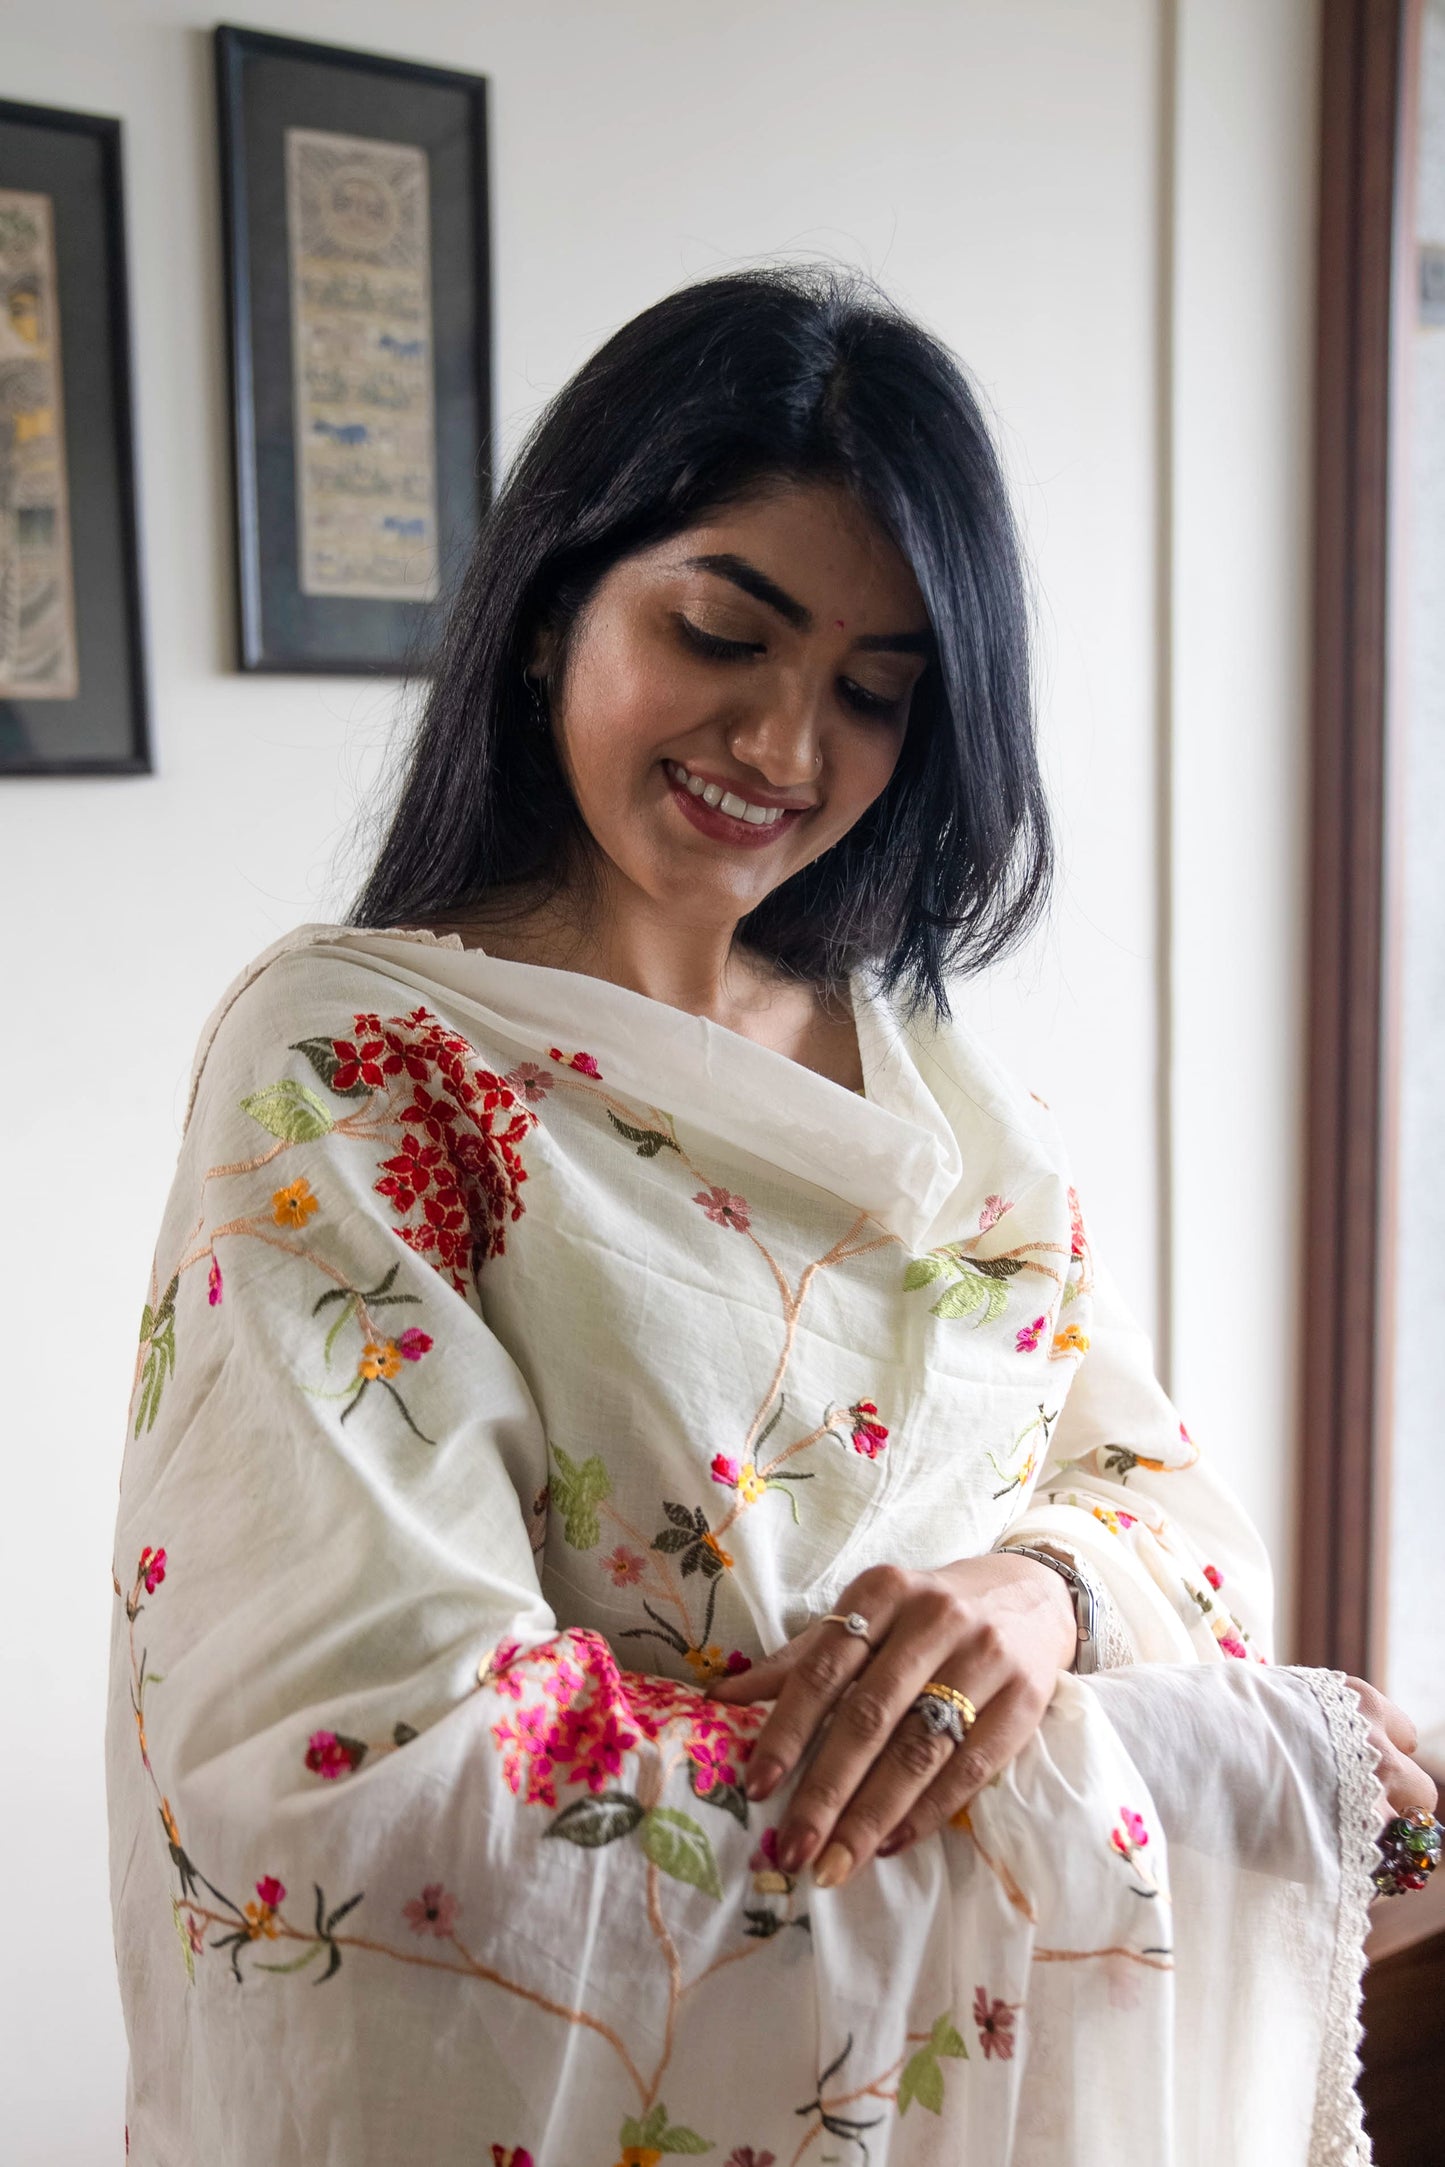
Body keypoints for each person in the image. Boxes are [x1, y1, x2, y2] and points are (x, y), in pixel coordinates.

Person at [108, 265, 1437, 2167]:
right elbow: (359, 1782)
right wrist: (1194, 1764)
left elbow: (1171, 1526)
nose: (784, 750)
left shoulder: (933, 1084)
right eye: (721, 633)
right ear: (560, 595)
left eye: (874, 695)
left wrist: (1035, 1598)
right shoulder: (360, 1064)